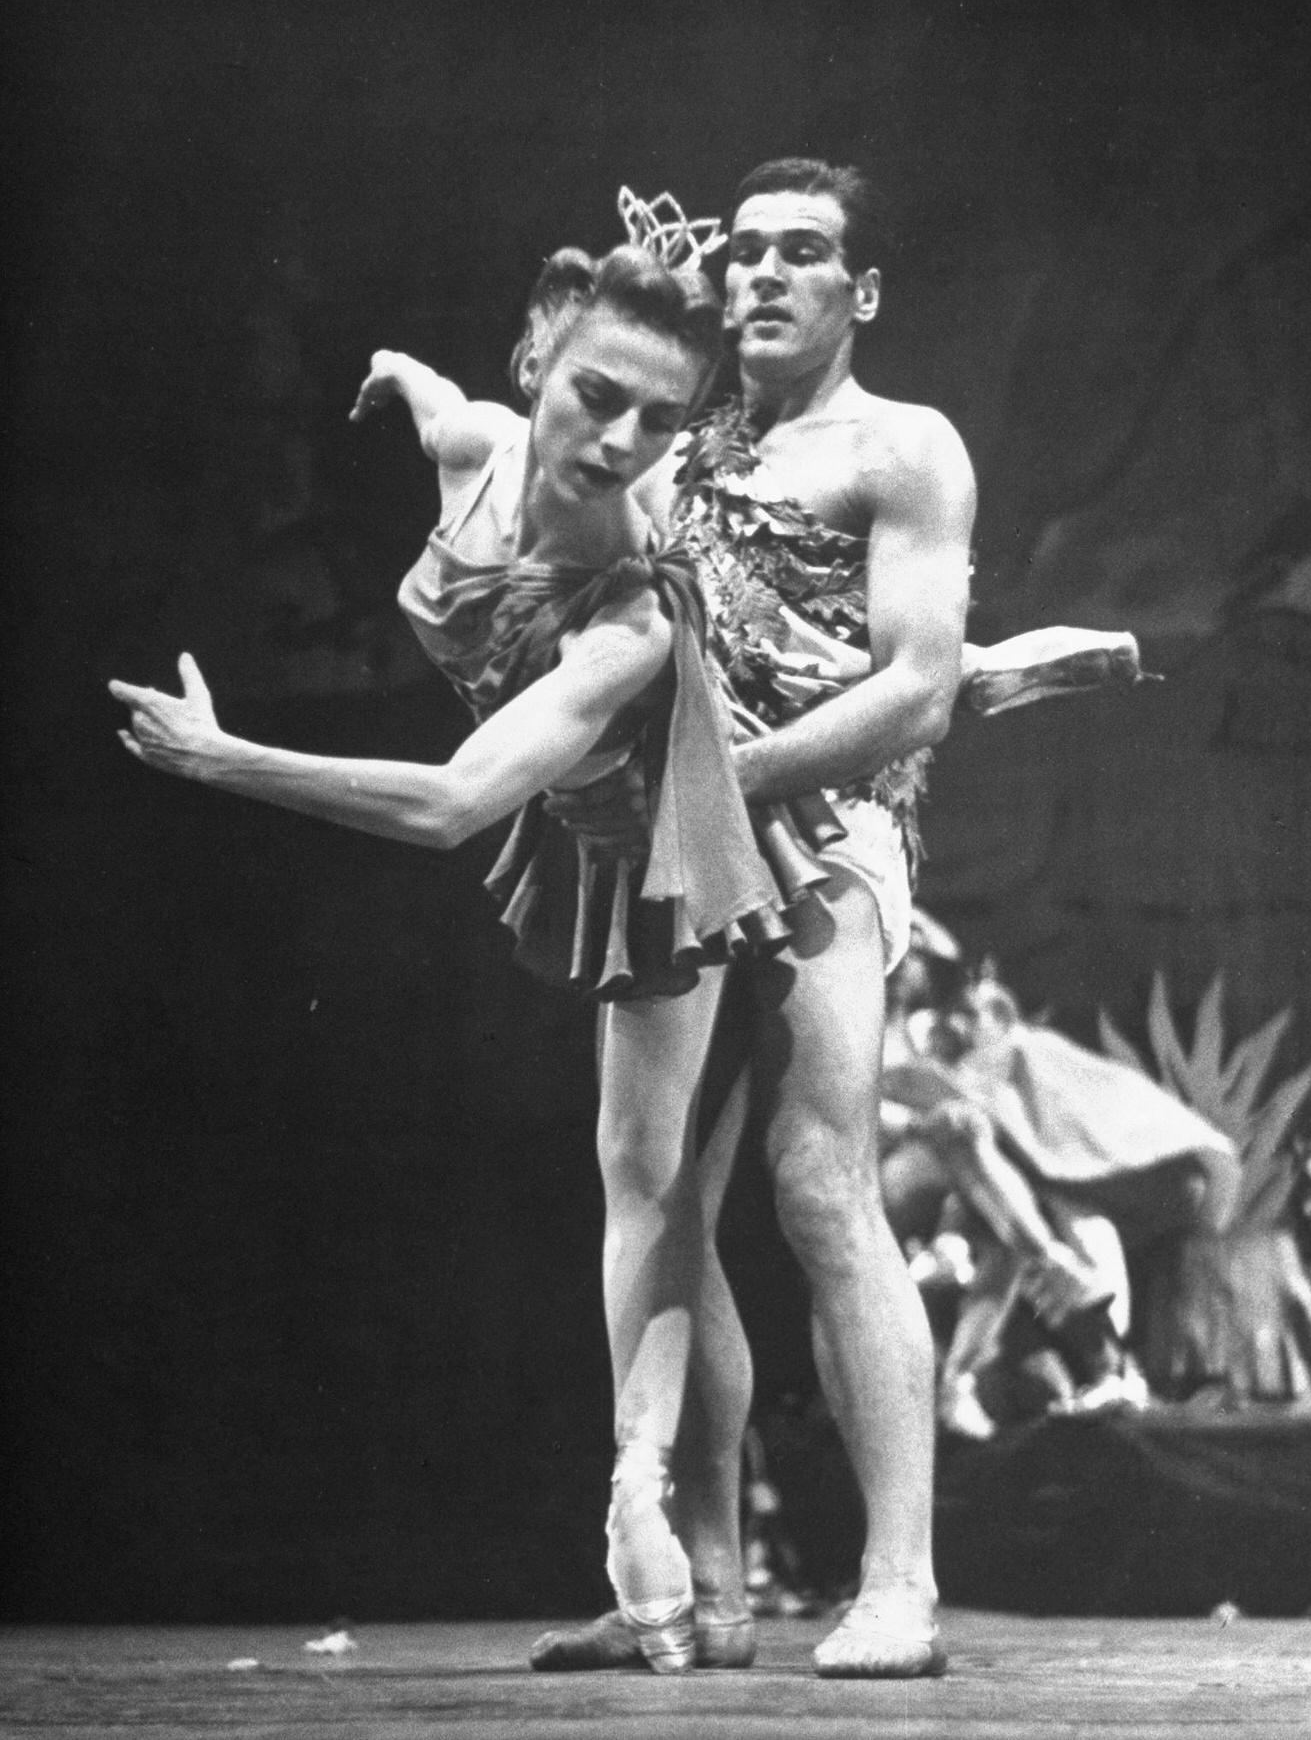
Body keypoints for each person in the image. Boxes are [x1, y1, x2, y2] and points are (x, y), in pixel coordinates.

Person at [109, 234, 826, 1675]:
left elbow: (446, 806)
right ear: (540, 359)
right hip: (575, 825)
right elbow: (447, 406)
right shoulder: (484, 442)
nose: (616, 441)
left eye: (659, 422)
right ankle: (711, 1586)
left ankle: (648, 1502)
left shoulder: (625, 612)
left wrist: (221, 757)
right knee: (660, 1187)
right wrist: (397, 372)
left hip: (675, 837)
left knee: (650, 1182)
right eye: (596, 395)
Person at [532, 158, 975, 1680]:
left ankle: (900, 1582)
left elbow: (914, 682)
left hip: (829, 839)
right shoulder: (679, 439)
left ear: (860, 290)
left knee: (817, 1182)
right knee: (653, 1192)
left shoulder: (902, 446)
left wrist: (719, 789)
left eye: (806, 253)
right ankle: (700, 1596)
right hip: (682, 851)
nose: (767, 275)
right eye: (748, 253)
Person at [880, 963, 1240, 1438]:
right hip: (920, 1184)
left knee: (1010, 1189)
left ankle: (1095, 1362)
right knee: (995, 1183)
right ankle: (1084, 1362)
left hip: (1134, 1181)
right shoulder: (892, 1046)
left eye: (970, 1014)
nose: (958, 1025)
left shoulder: (1004, 1049)